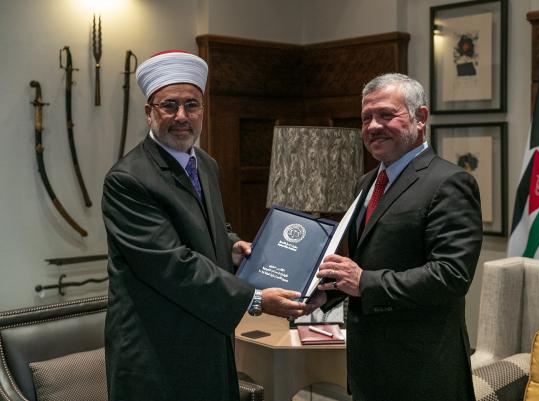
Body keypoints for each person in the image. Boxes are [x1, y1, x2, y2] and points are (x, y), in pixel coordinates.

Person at [101, 50, 313, 401]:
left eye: (192, 105)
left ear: (203, 110)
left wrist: (231, 246)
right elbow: (172, 265)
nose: (181, 116)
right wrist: (255, 298)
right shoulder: (128, 180)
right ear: (149, 112)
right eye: (169, 106)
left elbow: (208, 226)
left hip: (209, 338)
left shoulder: (205, 164)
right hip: (155, 351)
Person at [313, 73, 483, 401]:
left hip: (422, 372)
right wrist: (327, 293)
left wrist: (363, 282)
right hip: (369, 369)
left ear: (420, 117)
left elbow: (451, 276)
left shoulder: (449, 182)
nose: (373, 126)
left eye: (386, 114)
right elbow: (365, 262)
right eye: (366, 117)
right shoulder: (366, 183)